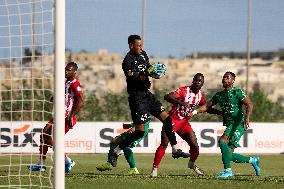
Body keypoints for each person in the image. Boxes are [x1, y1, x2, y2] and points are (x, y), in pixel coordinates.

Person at [109, 34, 187, 165]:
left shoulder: (143, 54)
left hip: (147, 94)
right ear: (131, 45)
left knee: (167, 119)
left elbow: (149, 69)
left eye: (141, 45)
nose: (141, 47)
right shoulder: (127, 61)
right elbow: (134, 79)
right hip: (136, 97)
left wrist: (154, 73)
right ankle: (116, 151)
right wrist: (146, 73)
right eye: (138, 45)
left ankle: (175, 149)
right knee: (139, 132)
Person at [189, 71, 260, 178]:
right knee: (229, 155)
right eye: (223, 78)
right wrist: (194, 112)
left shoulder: (238, 92)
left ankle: (228, 171)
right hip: (230, 124)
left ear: (233, 80)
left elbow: (249, 104)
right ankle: (253, 160)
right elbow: (207, 106)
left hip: (238, 124)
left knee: (222, 141)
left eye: (227, 78)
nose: (224, 79)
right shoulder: (219, 95)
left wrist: (247, 117)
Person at [150, 73, 222, 177]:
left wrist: (220, 113)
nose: (197, 82)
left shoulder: (200, 96)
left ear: (202, 84)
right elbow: (167, 96)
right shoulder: (184, 90)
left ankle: (191, 164)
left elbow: (206, 108)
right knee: (164, 143)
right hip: (172, 120)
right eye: (196, 80)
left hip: (184, 123)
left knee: (195, 146)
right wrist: (179, 102)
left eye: (200, 81)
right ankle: (154, 169)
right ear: (192, 81)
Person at [28, 62, 84, 173]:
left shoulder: (75, 83)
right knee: (44, 135)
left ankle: (67, 161)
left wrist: (71, 116)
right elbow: (66, 95)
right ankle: (42, 164)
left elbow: (81, 101)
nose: (66, 71)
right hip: (59, 115)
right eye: (65, 69)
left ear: (74, 72)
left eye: (68, 70)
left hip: (66, 118)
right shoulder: (67, 82)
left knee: (52, 139)